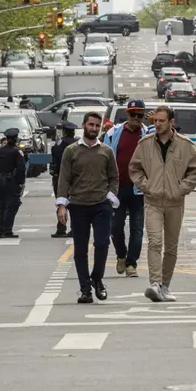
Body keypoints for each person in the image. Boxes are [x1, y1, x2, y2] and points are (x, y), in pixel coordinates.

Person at [128, 104, 196, 302]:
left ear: (171, 122)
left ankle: (165, 286)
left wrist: (181, 188)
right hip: (152, 201)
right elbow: (134, 168)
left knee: (171, 247)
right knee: (154, 242)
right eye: (155, 121)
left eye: (162, 121)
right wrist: (146, 185)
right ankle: (154, 283)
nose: (157, 124)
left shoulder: (185, 145)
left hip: (174, 202)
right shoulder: (144, 144)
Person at [56, 111, 119, 302]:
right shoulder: (72, 151)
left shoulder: (106, 151)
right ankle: (85, 289)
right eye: (90, 125)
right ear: (83, 125)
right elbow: (64, 178)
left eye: (97, 126)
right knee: (80, 249)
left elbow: (114, 177)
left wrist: (110, 196)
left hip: (101, 205)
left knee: (102, 243)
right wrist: (62, 205)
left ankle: (97, 279)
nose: (93, 128)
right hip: (78, 206)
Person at [103, 99, 151, 277]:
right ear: (127, 114)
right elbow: (104, 157)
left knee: (137, 229)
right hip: (117, 188)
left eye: (140, 115)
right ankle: (121, 255)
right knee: (115, 227)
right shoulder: (113, 133)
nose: (136, 118)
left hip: (139, 189)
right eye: (133, 114)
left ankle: (132, 263)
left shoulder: (147, 134)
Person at [0, 128, 27, 239]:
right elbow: (21, 168)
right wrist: (20, 182)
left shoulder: (0, 151)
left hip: (0, 179)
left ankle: (1, 229)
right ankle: (7, 230)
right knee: (12, 205)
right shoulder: (17, 151)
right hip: (11, 180)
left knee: (2, 205)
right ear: (16, 139)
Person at [48, 120, 78, 238]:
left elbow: (54, 153)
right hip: (75, 177)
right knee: (74, 204)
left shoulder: (61, 143)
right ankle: (74, 229)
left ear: (65, 132)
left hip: (61, 176)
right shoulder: (77, 143)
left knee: (61, 202)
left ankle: (61, 228)